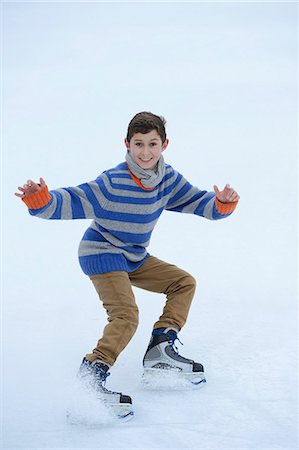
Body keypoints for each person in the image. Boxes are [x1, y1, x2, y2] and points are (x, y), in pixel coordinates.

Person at [15, 111, 239, 419]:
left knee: (183, 282)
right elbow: (74, 199)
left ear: (164, 145)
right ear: (127, 145)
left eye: (152, 143)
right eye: (138, 144)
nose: (145, 152)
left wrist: (221, 203)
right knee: (126, 315)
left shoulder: (167, 179)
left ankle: (160, 349)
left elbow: (199, 203)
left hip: (133, 255)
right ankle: (90, 378)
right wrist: (41, 200)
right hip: (101, 252)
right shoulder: (112, 182)